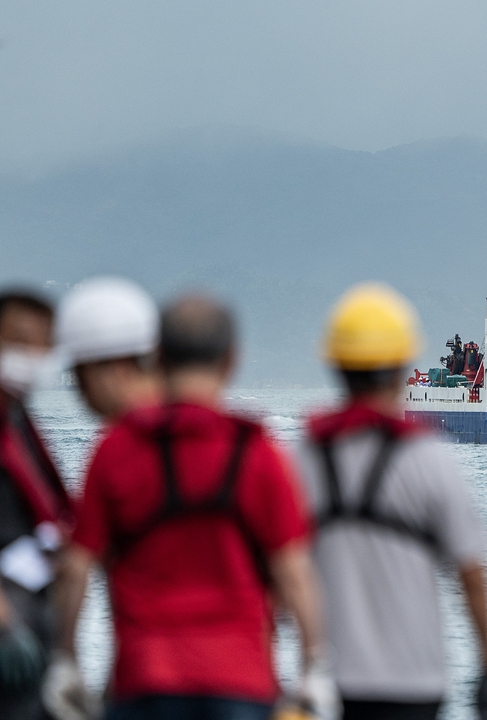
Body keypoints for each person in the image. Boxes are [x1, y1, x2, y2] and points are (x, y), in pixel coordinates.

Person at [47, 295, 338, 720]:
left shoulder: (116, 448)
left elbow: (76, 567)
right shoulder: (257, 452)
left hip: (145, 678)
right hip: (241, 679)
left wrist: (66, 658)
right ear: (231, 361)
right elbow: (293, 571)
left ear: (158, 357)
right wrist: (314, 666)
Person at [297, 283, 487, 720]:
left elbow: (281, 573)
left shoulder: (304, 460)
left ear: (335, 365)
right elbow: (473, 575)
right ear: (402, 365)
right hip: (417, 684)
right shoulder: (429, 458)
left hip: (335, 685)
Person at [0, 289, 74, 720]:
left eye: (42, 345)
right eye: (19, 342)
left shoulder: (21, 423)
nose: (31, 356)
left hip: (34, 632)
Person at [56, 277, 162, 422]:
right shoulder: (196, 420)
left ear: (122, 371)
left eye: (79, 376)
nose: (81, 393)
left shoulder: (119, 442)